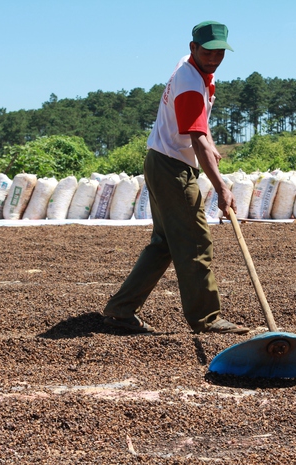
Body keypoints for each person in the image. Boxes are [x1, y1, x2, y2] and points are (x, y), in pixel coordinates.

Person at [102, 21, 249, 335]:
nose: (214, 58)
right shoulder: (190, 86)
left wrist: (209, 145)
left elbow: (200, 134)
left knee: (165, 243)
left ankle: (120, 310)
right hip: (172, 169)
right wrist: (222, 187)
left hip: (159, 160)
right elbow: (196, 138)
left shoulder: (189, 67)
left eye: (220, 52)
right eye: (208, 52)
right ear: (193, 48)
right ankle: (206, 318)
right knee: (196, 242)